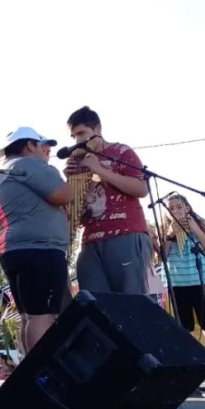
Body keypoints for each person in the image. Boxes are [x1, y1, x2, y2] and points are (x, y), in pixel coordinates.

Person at [0, 127, 71, 352]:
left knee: (29, 316)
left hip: (13, 250)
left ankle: (31, 373)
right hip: (41, 249)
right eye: (43, 145)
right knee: (43, 315)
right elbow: (63, 194)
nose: (47, 151)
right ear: (29, 146)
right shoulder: (27, 164)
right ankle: (41, 374)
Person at [64, 106, 151, 295]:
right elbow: (75, 213)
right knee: (96, 306)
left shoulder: (121, 151)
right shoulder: (78, 161)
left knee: (131, 302)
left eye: (82, 133)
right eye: (74, 136)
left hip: (126, 234)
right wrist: (69, 184)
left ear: (98, 130)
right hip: (89, 241)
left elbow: (141, 189)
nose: (78, 140)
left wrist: (100, 170)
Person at [159, 194, 205, 378]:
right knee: (183, 328)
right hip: (178, 283)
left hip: (202, 281)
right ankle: (188, 369)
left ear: (187, 207)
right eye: (171, 208)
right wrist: (170, 235)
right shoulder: (164, 228)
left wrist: (195, 229)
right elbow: (160, 256)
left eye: (179, 206)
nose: (176, 211)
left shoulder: (200, 224)